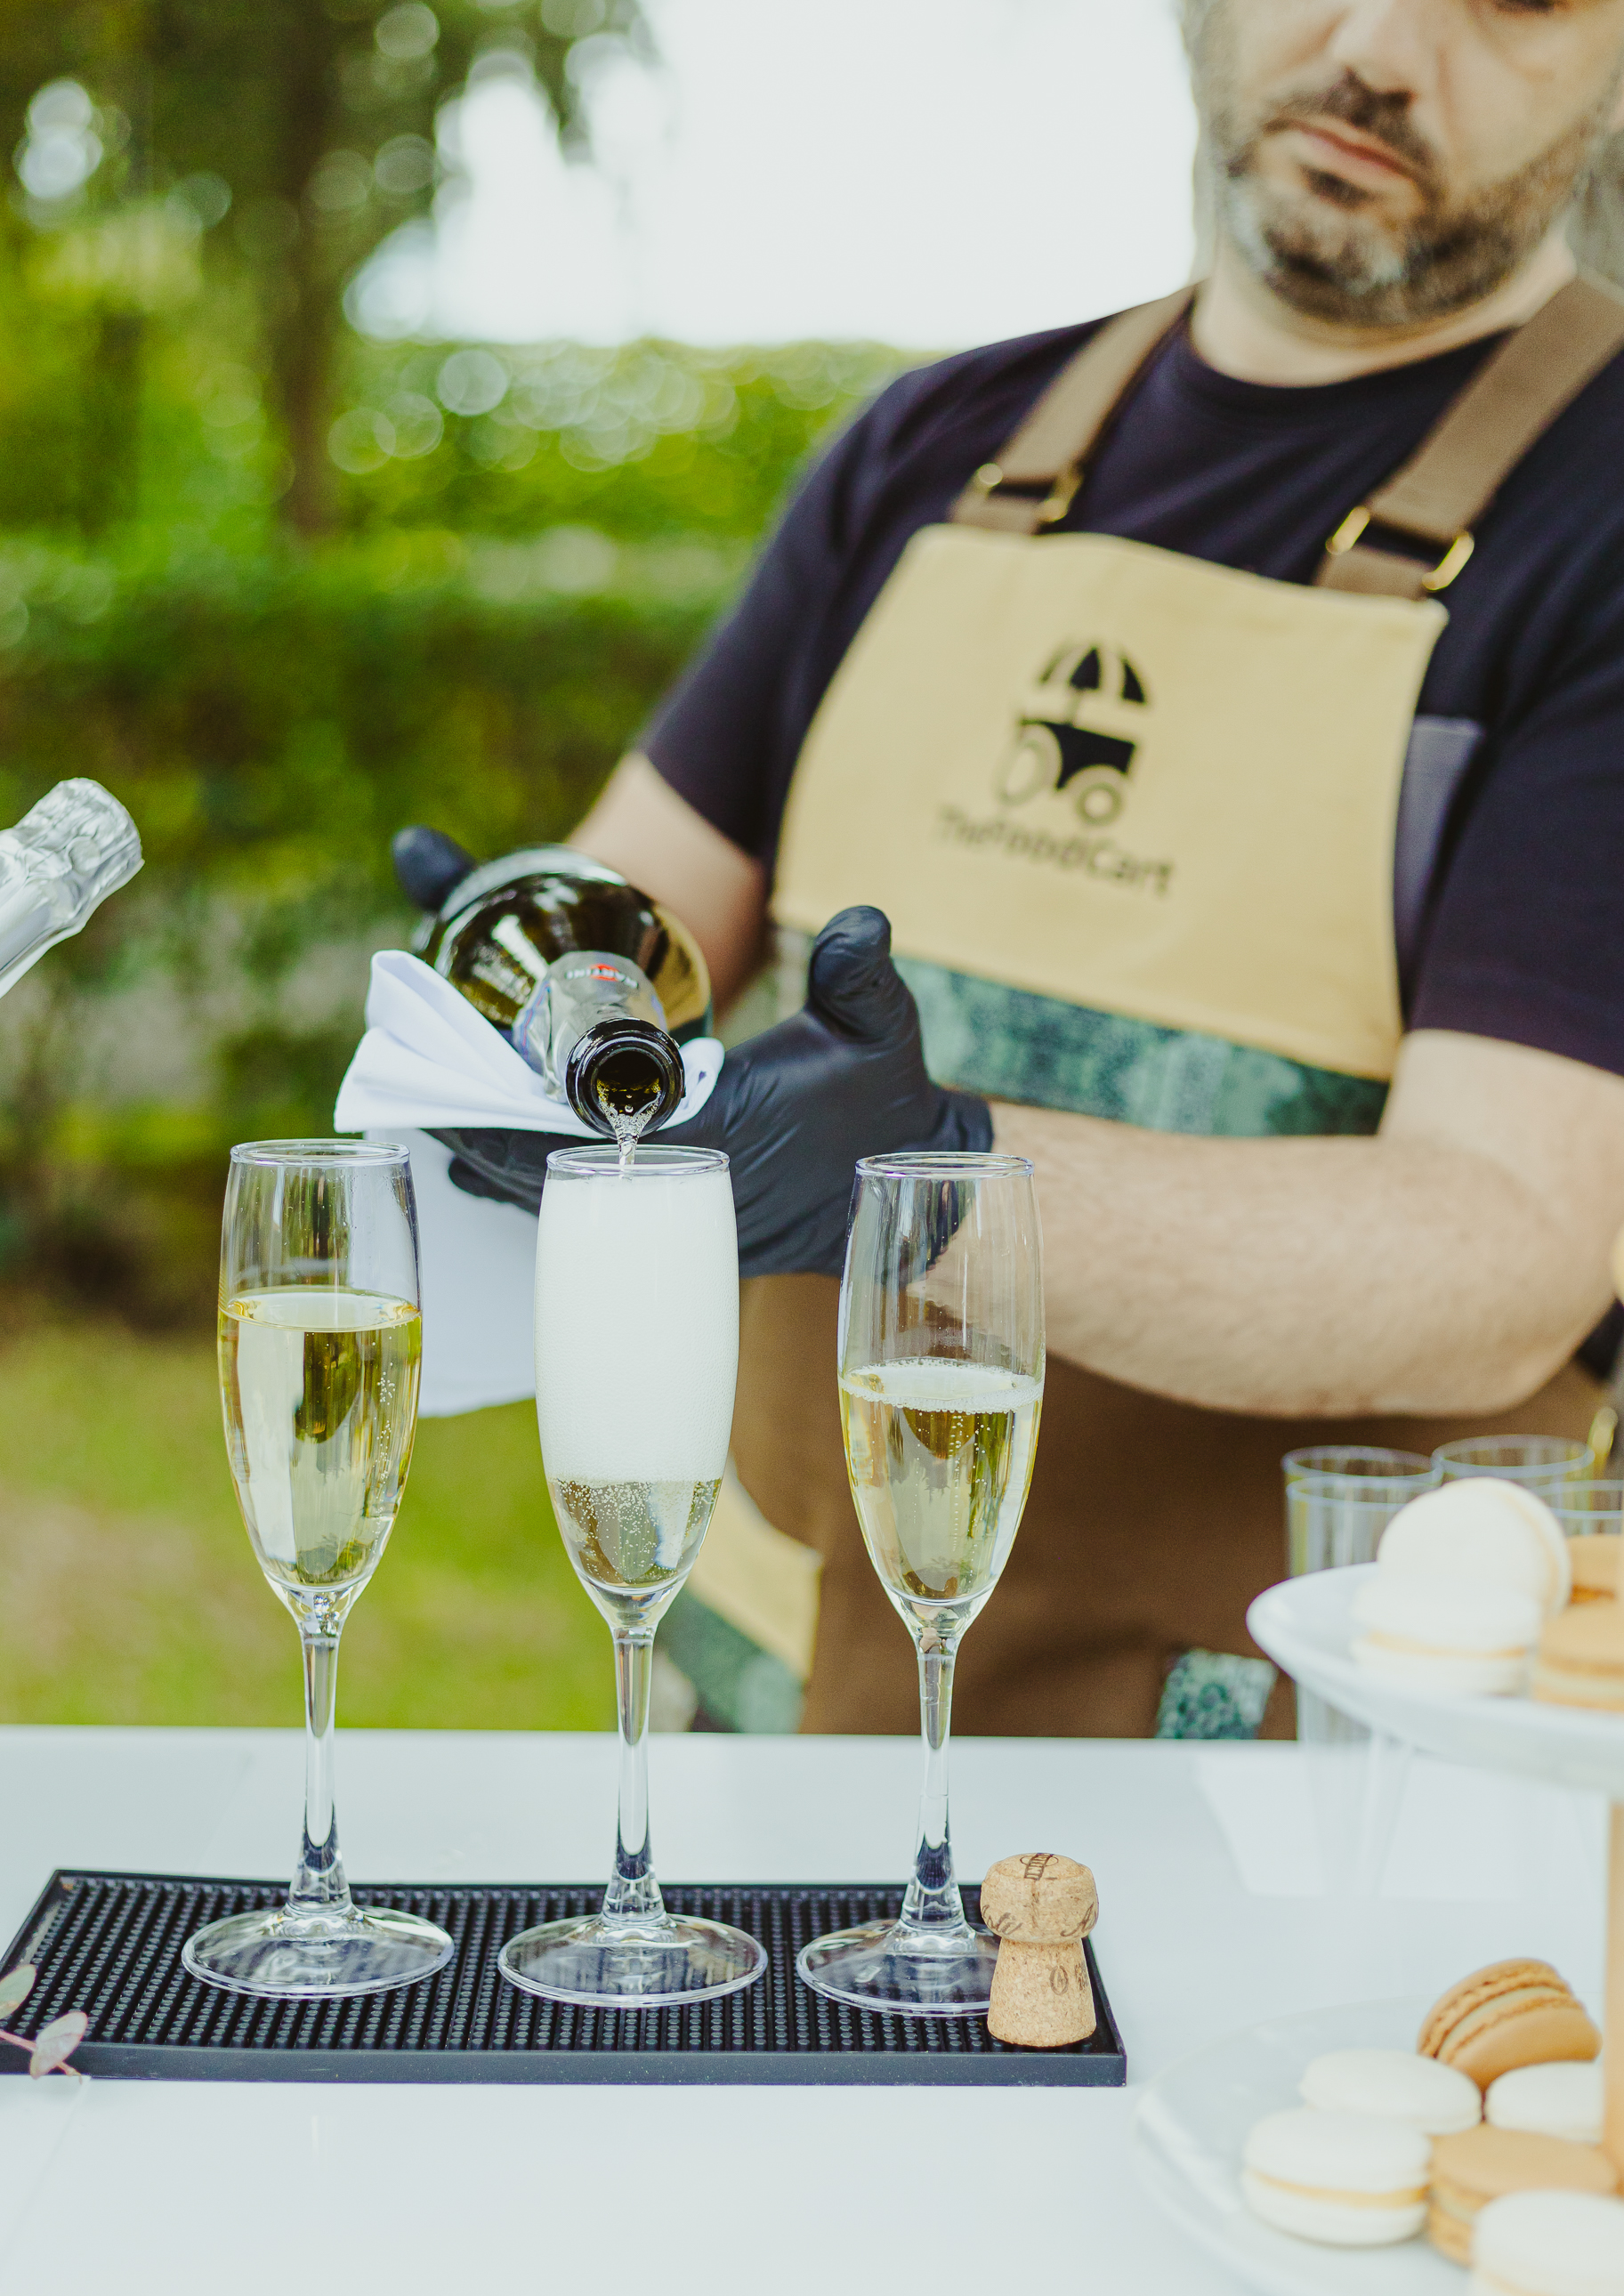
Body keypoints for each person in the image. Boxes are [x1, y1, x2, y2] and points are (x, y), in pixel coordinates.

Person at [438, 0, 1624, 1742]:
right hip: (774, 1701)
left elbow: (1506, 1247)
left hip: (1291, 1784)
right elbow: (646, 892)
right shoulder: (933, 454)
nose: (1379, 45)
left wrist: (943, 1174)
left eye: (1510, 0)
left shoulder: (1596, 531)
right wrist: (535, 959)